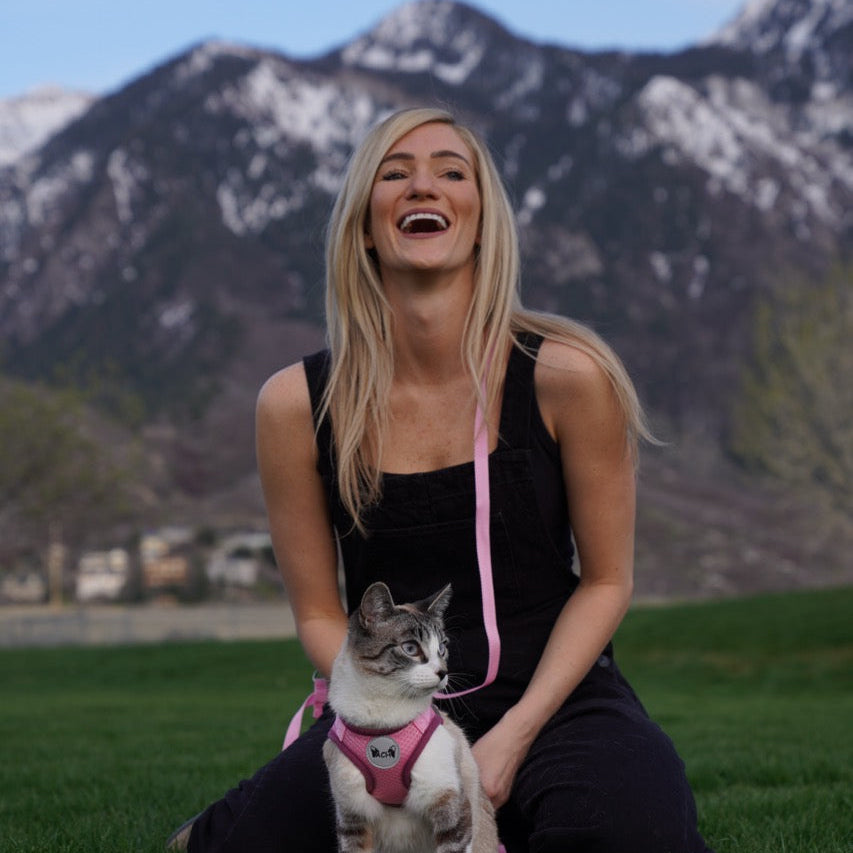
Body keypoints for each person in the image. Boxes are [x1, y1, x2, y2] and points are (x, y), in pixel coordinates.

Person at [169, 106, 714, 852]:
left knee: (629, 827)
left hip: (555, 704)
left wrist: (511, 735)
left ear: (481, 219)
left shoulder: (566, 376)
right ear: (365, 224)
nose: (422, 185)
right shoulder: (295, 405)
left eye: (450, 172)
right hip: (389, 716)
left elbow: (607, 582)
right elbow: (318, 614)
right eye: (394, 174)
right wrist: (404, 733)